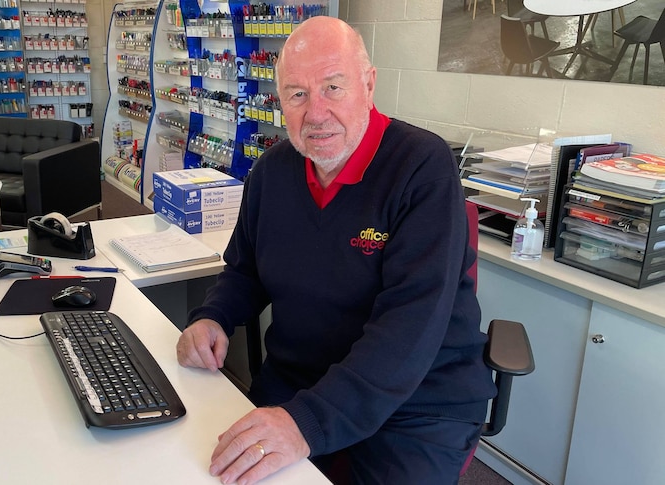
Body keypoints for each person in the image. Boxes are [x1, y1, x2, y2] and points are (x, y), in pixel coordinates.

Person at [175, 16, 496, 485]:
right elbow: (245, 270)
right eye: (297, 94)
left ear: (368, 84)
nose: (316, 113)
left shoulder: (422, 168)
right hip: (298, 384)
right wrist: (213, 316)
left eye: (333, 87)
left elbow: (410, 326)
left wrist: (308, 423)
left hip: (415, 403)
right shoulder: (272, 172)